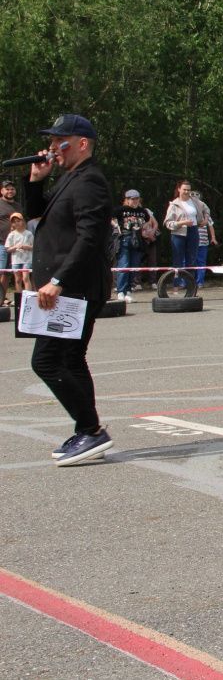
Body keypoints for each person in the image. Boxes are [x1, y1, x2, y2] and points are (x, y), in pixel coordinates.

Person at [23, 114, 114, 466]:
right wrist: (35, 183)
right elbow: (38, 221)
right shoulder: (70, 179)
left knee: (46, 361)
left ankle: (91, 430)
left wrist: (58, 280)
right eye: (51, 140)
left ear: (82, 144)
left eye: (60, 140)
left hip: (74, 288)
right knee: (71, 360)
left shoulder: (90, 181)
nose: (52, 147)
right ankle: (88, 432)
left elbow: (91, 238)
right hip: (65, 286)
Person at [163, 180, 207, 287]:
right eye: (184, 189)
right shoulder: (174, 204)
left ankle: (190, 286)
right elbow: (168, 223)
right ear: (179, 190)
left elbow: (206, 209)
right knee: (178, 260)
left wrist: (205, 219)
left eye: (188, 190)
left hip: (193, 231)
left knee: (192, 260)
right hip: (178, 234)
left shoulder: (195, 201)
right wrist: (182, 222)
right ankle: (177, 285)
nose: (186, 192)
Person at [113, 189, 149, 302]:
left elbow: (148, 220)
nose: (134, 201)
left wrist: (145, 230)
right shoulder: (120, 210)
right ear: (127, 200)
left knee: (134, 266)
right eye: (132, 199)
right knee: (124, 265)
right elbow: (110, 218)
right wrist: (116, 226)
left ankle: (129, 291)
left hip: (137, 240)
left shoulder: (142, 211)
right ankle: (120, 291)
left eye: (136, 199)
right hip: (124, 238)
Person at [189, 190, 217, 287]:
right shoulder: (189, 212)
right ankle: (188, 282)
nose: (194, 196)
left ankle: (200, 282)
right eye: (192, 195)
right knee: (190, 262)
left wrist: (213, 237)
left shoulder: (205, 213)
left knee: (201, 262)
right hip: (191, 242)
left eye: (197, 195)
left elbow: (210, 225)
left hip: (203, 242)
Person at [0, 179, 20, 305]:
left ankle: (1, 300)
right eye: (7, 189)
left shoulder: (18, 206)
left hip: (15, 245)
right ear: (1, 191)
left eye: (12, 189)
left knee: (7, 274)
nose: (10, 191)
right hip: (1, 243)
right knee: (0, 271)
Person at [6, 212, 34, 292]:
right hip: (16, 260)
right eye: (14, 222)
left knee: (25, 278)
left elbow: (33, 247)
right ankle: (19, 298)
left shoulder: (28, 234)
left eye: (18, 221)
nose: (16, 223)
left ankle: (28, 297)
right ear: (12, 224)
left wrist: (25, 247)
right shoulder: (11, 234)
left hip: (27, 260)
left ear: (22, 221)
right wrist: (14, 247)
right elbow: (8, 249)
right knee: (18, 279)